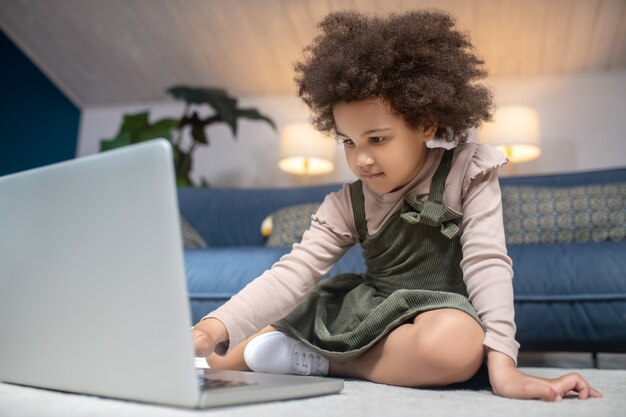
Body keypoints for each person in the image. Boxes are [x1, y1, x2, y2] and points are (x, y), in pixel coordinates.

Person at [192, 9, 602, 402]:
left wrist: (504, 366)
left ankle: (325, 363)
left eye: (377, 139)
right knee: (219, 357)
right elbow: (291, 274)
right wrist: (210, 329)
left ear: (425, 124)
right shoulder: (345, 202)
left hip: (439, 320)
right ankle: (315, 354)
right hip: (366, 313)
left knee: (456, 346)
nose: (361, 159)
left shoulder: (469, 171)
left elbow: (487, 261)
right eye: (348, 142)